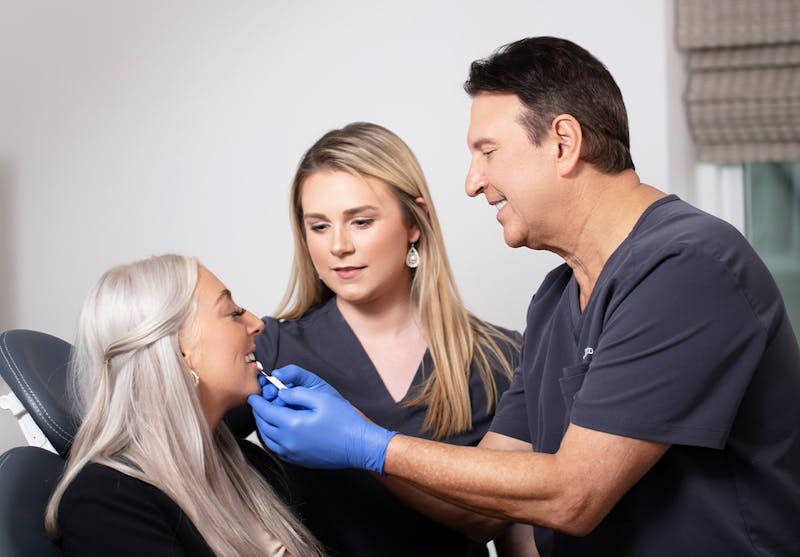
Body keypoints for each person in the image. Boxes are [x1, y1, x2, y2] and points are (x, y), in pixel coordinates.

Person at [249, 37, 800, 557]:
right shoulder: (556, 299)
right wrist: (357, 446)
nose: (472, 182)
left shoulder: (688, 265)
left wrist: (366, 443)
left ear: (563, 143)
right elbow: (487, 507)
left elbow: (573, 495)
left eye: (487, 151)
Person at [249, 122, 528, 556]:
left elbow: (518, 530)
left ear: (414, 223)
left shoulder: (501, 358)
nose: (338, 245)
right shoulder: (270, 350)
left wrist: (365, 444)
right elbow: (169, 459)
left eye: (360, 221)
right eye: (319, 226)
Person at [46, 254, 323, 557]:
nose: (257, 324)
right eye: (232, 313)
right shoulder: (105, 501)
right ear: (180, 352)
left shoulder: (253, 466)